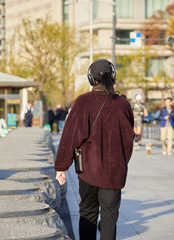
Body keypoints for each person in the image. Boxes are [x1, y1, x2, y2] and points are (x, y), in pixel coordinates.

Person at [55, 59, 134, 240]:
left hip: (88, 170)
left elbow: (70, 137)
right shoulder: (123, 105)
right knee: (109, 217)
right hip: (114, 173)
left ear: (91, 79)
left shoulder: (83, 102)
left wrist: (61, 166)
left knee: (88, 214)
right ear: (112, 77)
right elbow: (128, 141)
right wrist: (120, 163)